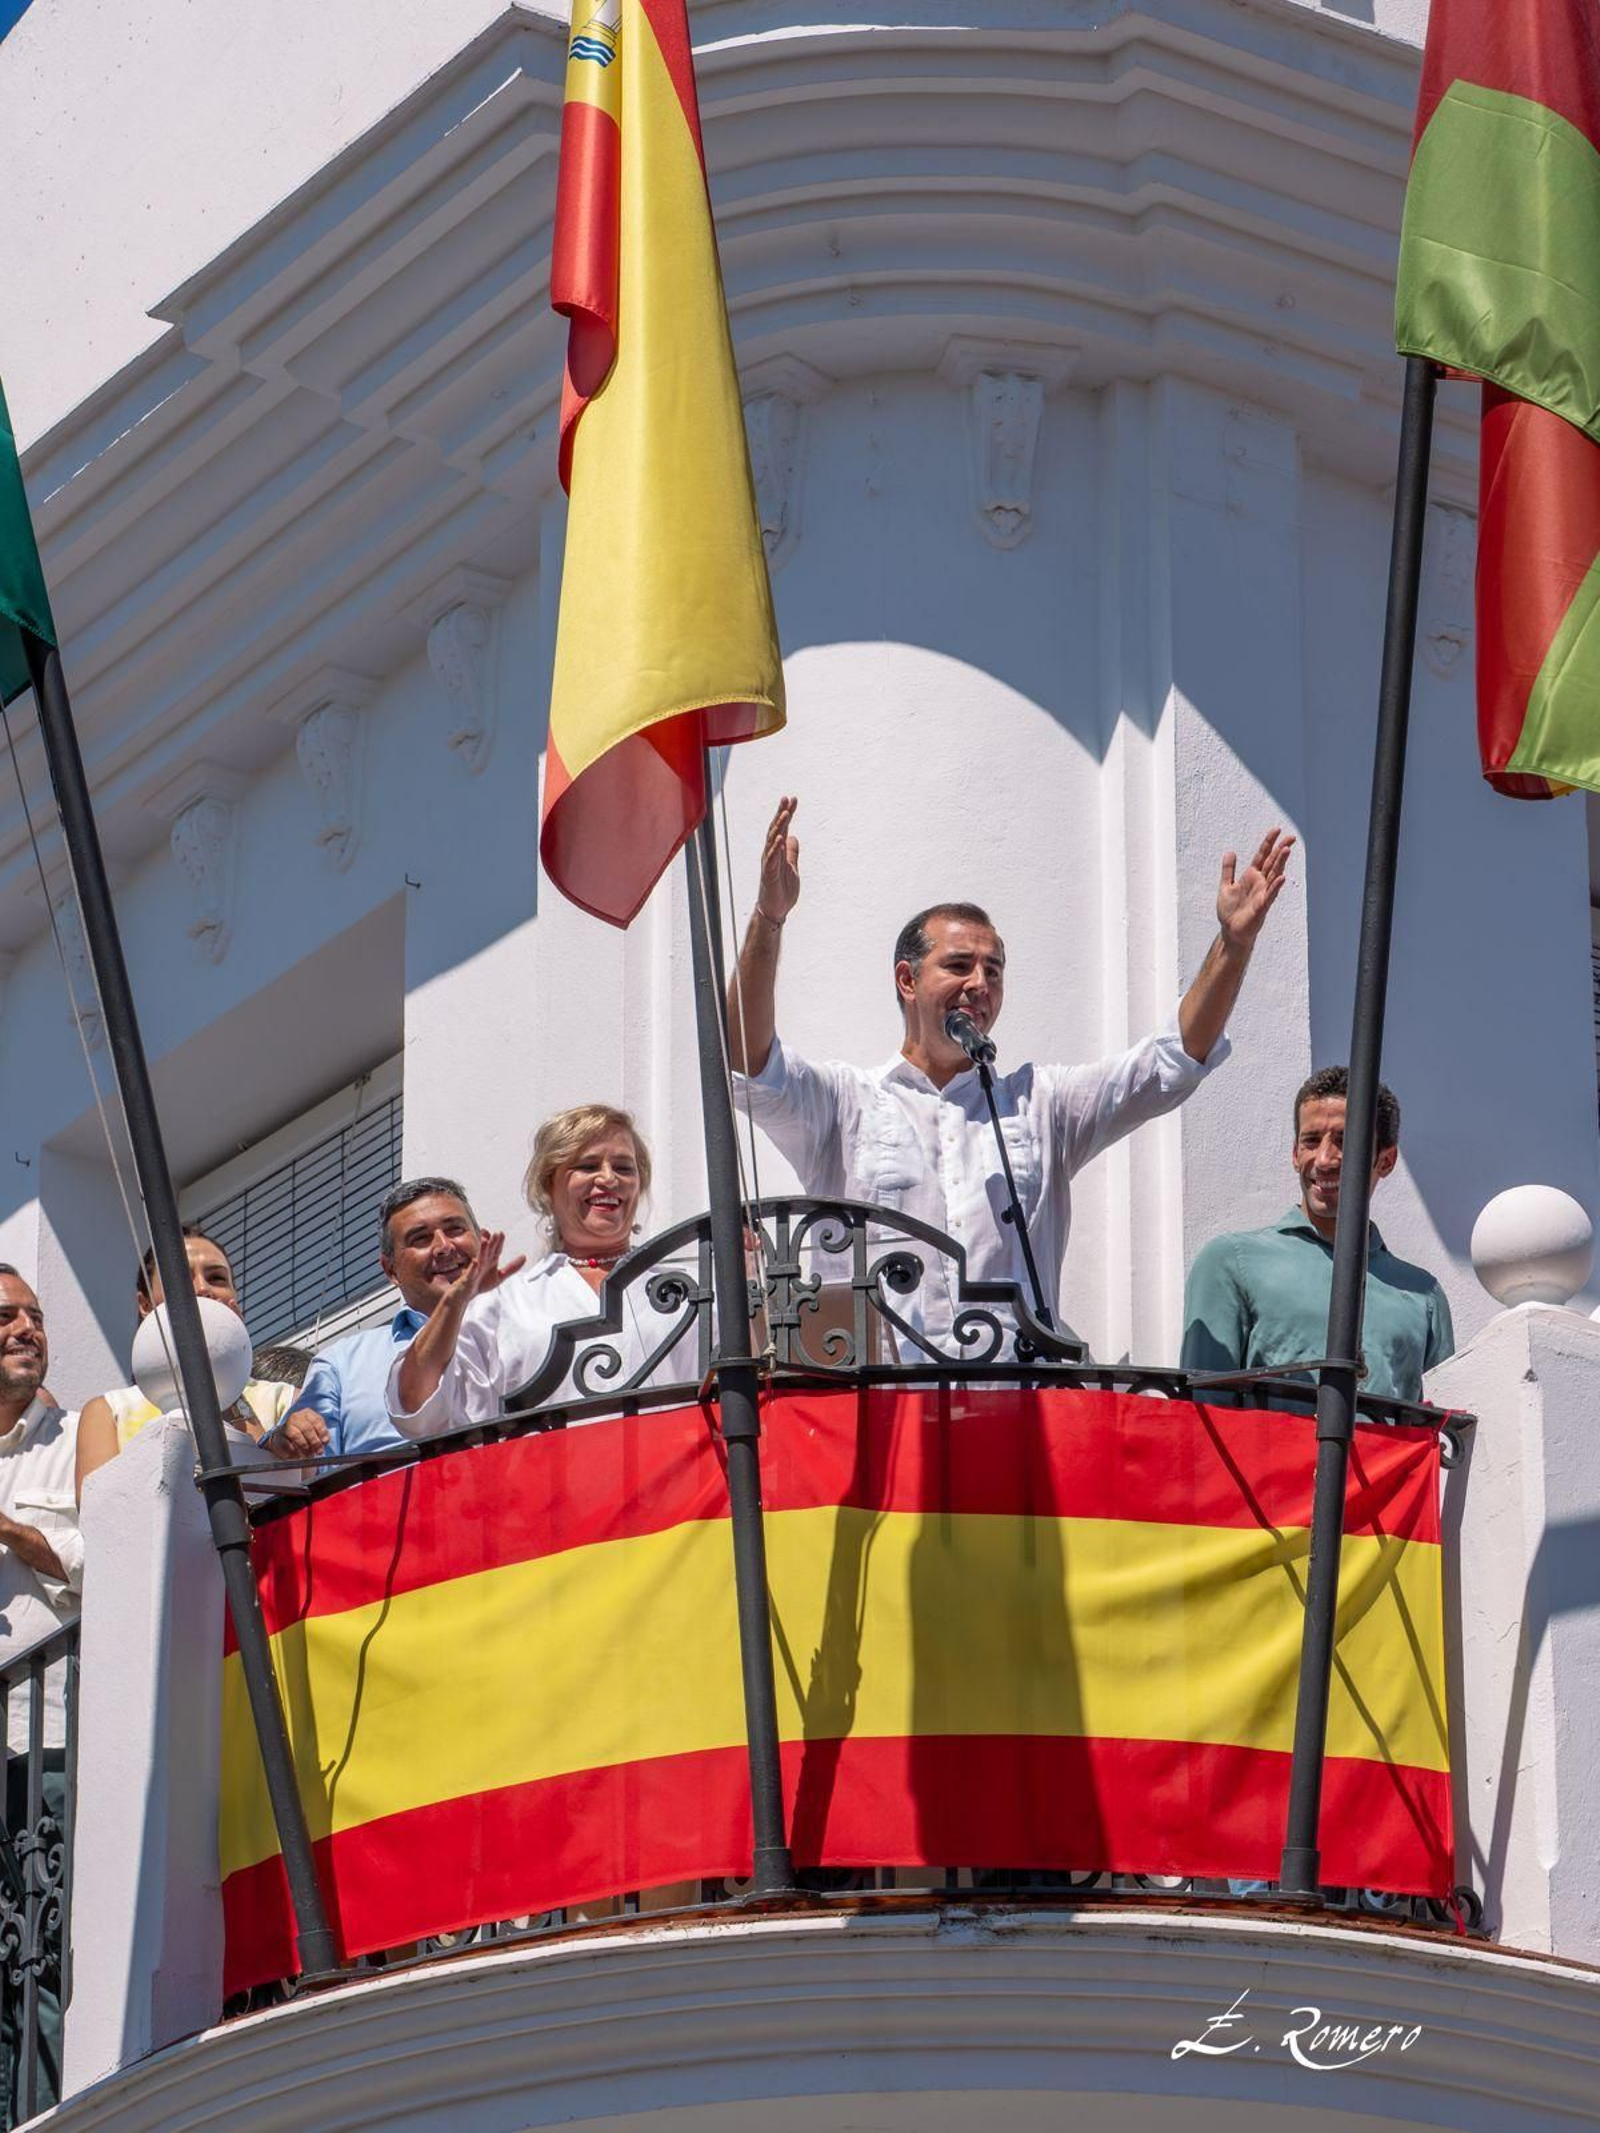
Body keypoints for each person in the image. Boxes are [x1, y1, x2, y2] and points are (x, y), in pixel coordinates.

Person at [724, 795, 1294, 1348]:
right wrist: (768, 920)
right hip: (882, 1414)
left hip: (1013, 1404)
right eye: (958, 966)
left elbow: (1170, 1062)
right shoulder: (845, 1101)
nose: (980, 985)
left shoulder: (1039, 1101)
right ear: (907, 980)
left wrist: (1233, 945)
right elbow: (748, 1059)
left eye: (993, 971)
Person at [388, 1106, 679, 1434]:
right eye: (588, 1165)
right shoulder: (505, 1302)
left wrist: (749, 1277)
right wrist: (455, 1301)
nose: (609, 1179)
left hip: (683, 1479)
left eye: (624, 1168)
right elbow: (416, 1408)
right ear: (548, 1184)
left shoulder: (683, 1289)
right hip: (551, 1482)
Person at [1180, 1064, 1454, 1403]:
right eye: (1311, 1141)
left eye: (1344, 1141)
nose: (1324, 1159)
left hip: (1386, 1457)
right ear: (1296, 1154)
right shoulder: (1230, 1261)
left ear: (1385, 1160)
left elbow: (1444, 1434)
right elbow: (1204, 1418)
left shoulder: (1422, 1294)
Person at [0, 1269, 80, 2121]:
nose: (26, 1328)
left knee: (48, 1948)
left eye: (35, 1315)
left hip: (51, 1734)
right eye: (6, 1317)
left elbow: (111, 1563)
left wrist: (15, 1530)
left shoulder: (82, 1437)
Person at [263, 1177, 483, 1464]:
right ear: (391, 1270)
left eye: (455, 1229)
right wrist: (283, 1439)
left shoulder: (530, 1325)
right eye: (421, 1238)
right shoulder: (341, 1366)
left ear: (481, 1240)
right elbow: (306, 1470)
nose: (443, 1246)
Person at [74, 1228, 293, 1498]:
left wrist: (223, 1374)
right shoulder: (108, 1413)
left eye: (216, 1278)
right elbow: (100, 1510)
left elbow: (287, 1491)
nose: (202, 1288)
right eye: (180, 1277)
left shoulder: (284, 1399)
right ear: (144, 1304)